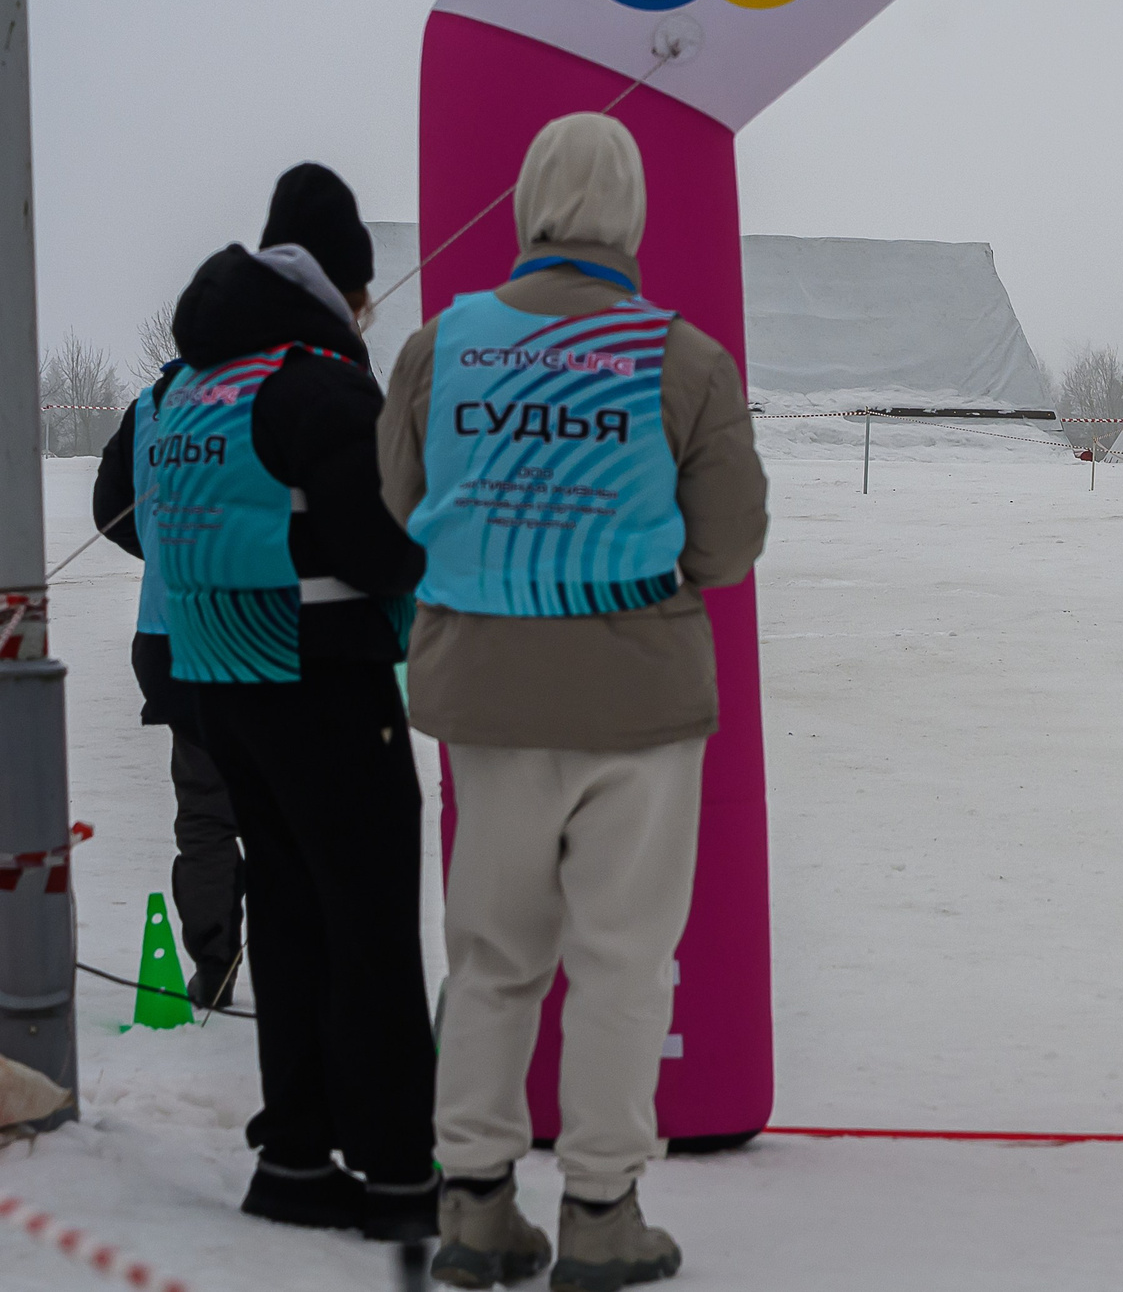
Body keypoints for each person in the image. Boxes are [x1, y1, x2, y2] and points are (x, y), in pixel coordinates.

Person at [381, 113, 768, 1290]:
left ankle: (476, 1208)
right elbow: (731, 541)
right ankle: (602, 1210)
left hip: (486, 700)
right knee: (621, 961)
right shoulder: (683, 357)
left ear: (528, 203)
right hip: (636, 701)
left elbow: (402, 503)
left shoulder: (442, 347)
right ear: (633, 212)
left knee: (490, 956)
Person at [153, 164, 438, 1238]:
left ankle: (295, 1153)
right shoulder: (321, 382)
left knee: (288, 912)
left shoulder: (191, 379)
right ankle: (402, 1171)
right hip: (324, 676)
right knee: (367, 921)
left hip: (221, 679)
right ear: (343, 284)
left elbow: (146, 511)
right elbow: (380, 549)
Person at [94, 354, 247, 1011]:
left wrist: (160, 545)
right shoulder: (272, 394)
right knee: (287, 802)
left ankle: (214, 966)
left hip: (171, 630)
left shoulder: (151, 406)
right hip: (265, 627)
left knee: (206, 811)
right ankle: (300, 958)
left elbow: (109, 509)